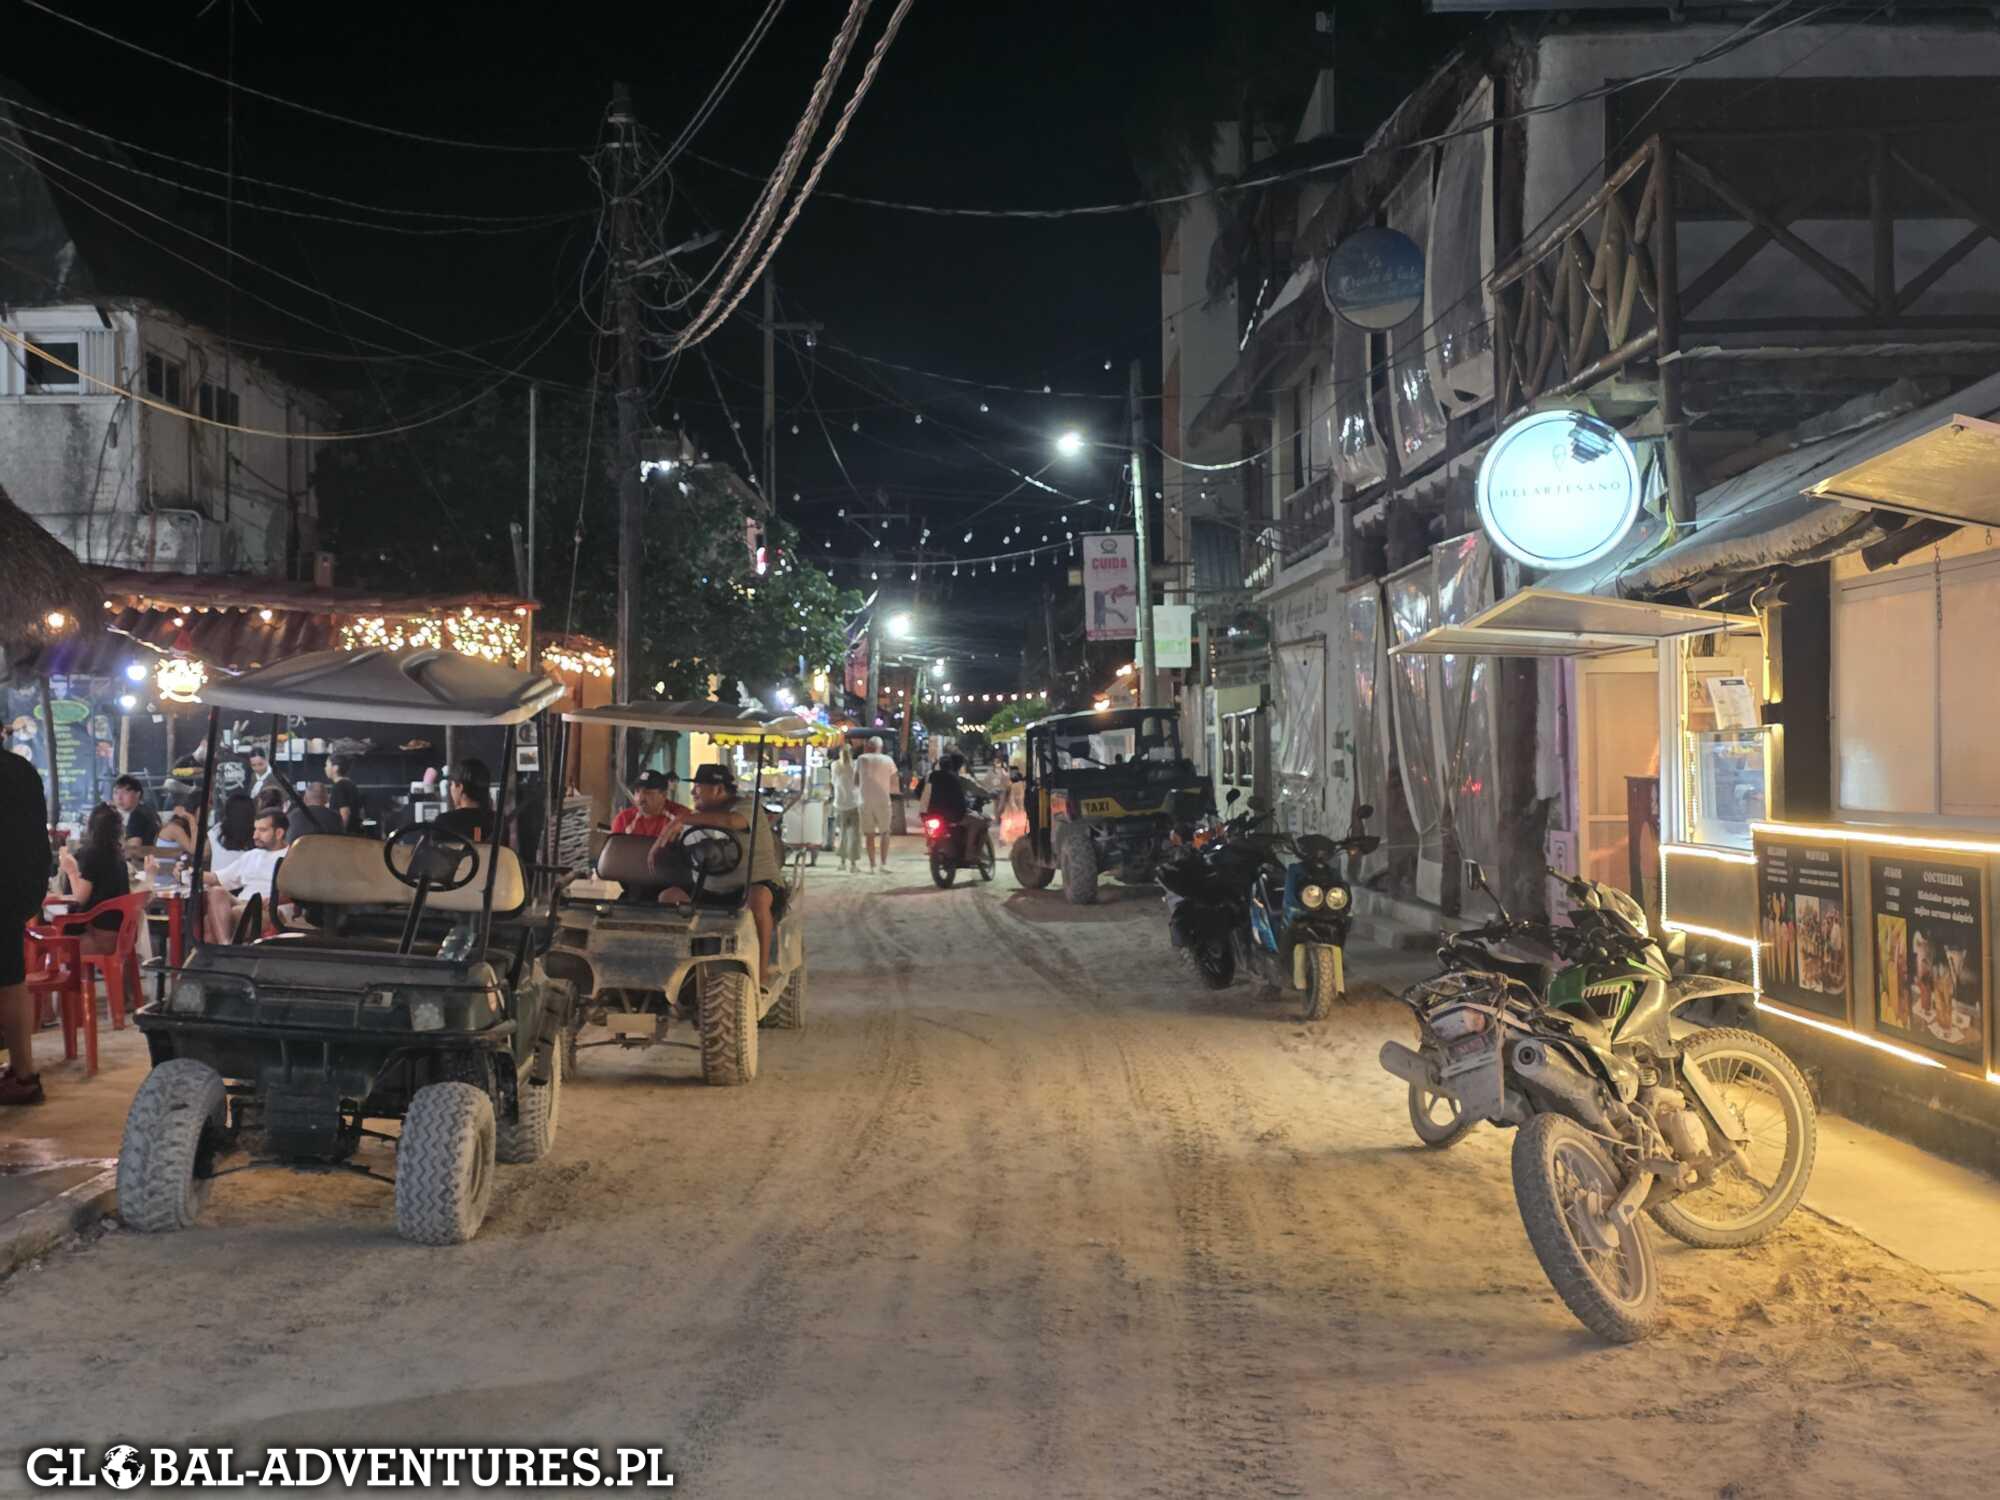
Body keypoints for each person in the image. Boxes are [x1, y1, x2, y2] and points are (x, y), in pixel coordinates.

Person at [649, 763, 783, 986]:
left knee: (757, 898)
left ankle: (761, 973)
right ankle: (673, 971)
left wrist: (682, 820)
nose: (693, 792)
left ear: (718, 789)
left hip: (755, 885)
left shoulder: (747, 807)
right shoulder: (697, 817)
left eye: (698, 787)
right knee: (668, 897)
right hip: (710, 889)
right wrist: (661, 847)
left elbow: (731, 821)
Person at [1, 751, 52, 1106]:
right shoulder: (22, 769)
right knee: (11, 979)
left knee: (8, 982)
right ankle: (23, 1072)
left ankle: (23, 1077)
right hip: (20, 890)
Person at [202, 808, 287, 943]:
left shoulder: (293, 856)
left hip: (271, 909)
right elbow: (217, 878)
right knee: (216, 891)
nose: (255, 836)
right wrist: (189, 874)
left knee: (213, 921)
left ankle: (223, 950)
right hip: (243, 902)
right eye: (255, 830)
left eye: (262, 830)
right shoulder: (252, 855)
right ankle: (226, 946)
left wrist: (277, 899)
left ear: (279, 833)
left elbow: (300, 892)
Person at [855, 735, 899, 874]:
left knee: (869, 835)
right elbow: (894, 781)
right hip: (883, 800)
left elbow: (855, 781)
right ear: (881, 747)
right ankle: (883, 864)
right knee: (885, 832)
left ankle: (872, 866)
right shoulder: (888, 760)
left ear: (868, 746)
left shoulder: (861, 759)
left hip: (865, 801)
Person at [611, 769, 689, 839]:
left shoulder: (680, 816)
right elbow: (615, 849)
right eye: (637, 791)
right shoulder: (624, 819)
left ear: (664, 795)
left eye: (647, 792)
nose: (640, 798)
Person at [435, 758, 495, 843]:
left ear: (460, 787)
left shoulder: (444, 821)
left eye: (452, 784)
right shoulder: (497, 821)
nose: (451, 789)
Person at [830, 745, 863, 872]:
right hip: (854, 803)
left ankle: (842, 862)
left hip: (840, 804)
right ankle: (853, 864)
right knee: (854, 835)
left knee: (842, 833)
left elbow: (833, 782)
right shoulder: (855, 765)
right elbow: (859, 783)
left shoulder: (835, 765)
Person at [111, 774, 162, 850]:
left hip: (142, 856)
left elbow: (133, 849)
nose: (119, 798)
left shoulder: (137, 816)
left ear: (137, 794)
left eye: (125, 793)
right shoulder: (148, 810)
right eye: (116, 793)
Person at [324, 756, 365, 834]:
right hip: (355, 831)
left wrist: (341, 834)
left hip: (345, 834)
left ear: (335, 768)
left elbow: (345, 812)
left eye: (327, 765)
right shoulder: (351, 784)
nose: (325, 768)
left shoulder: (339, 786)